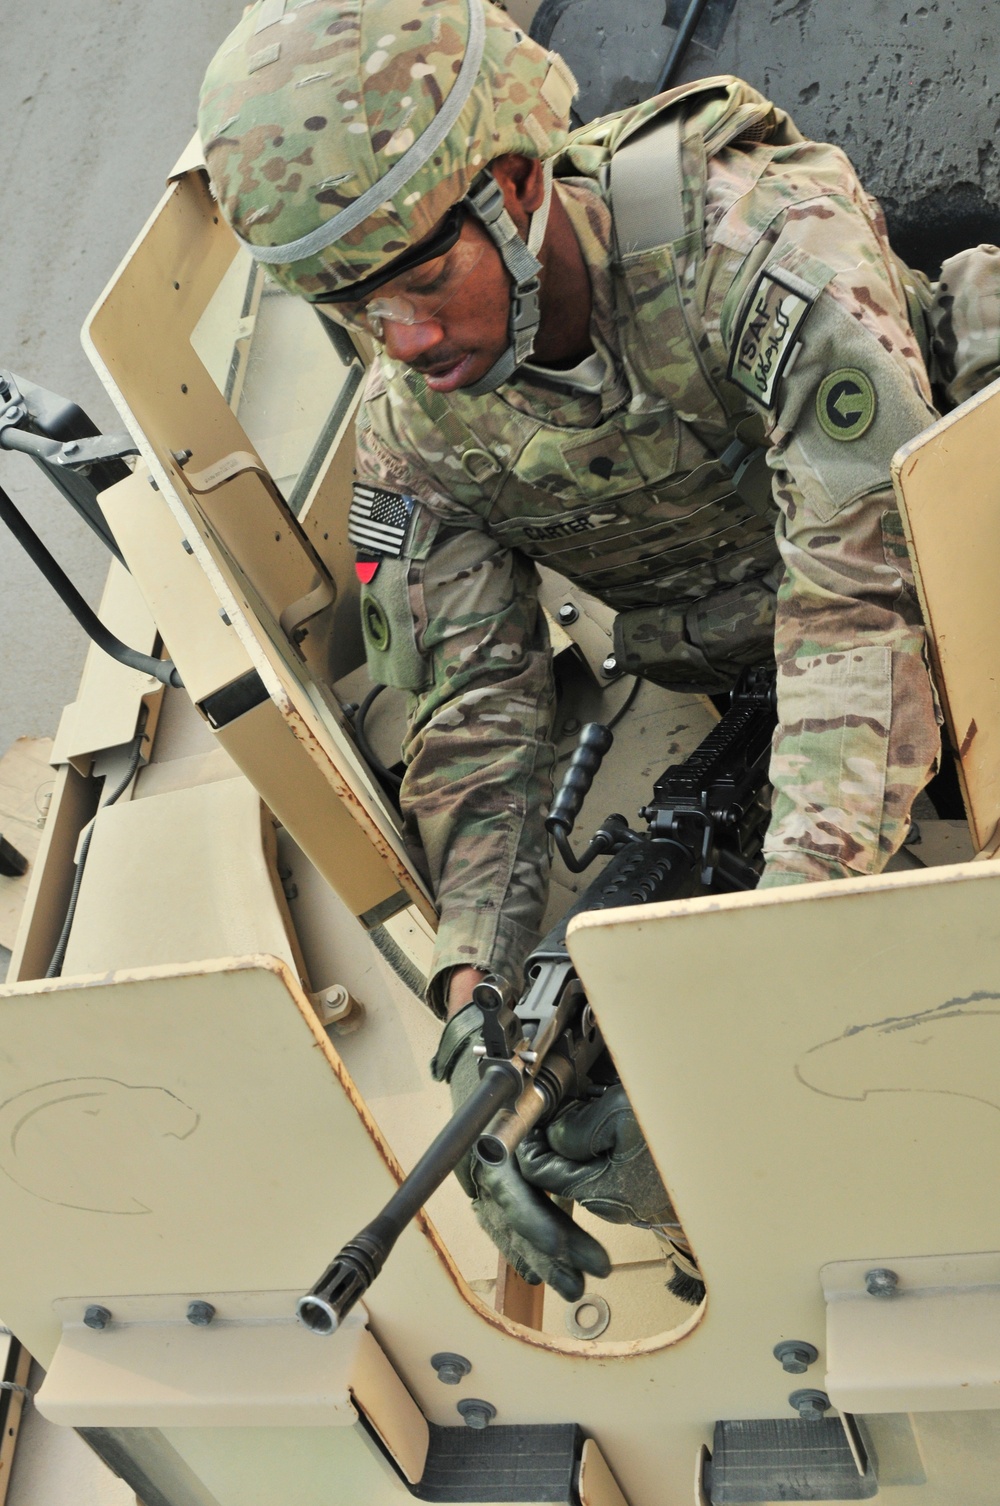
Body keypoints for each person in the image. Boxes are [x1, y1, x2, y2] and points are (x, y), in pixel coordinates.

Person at [198, 0, 998, 1301]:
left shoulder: (747, 235)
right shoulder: (419, 436)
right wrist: (477, 997)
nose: (400, 346)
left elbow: (866, 587)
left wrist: (780, 949)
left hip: (955, 538)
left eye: (413, 280)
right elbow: (478, 712)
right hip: (756, 664)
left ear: (513, 185)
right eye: (345, 310)